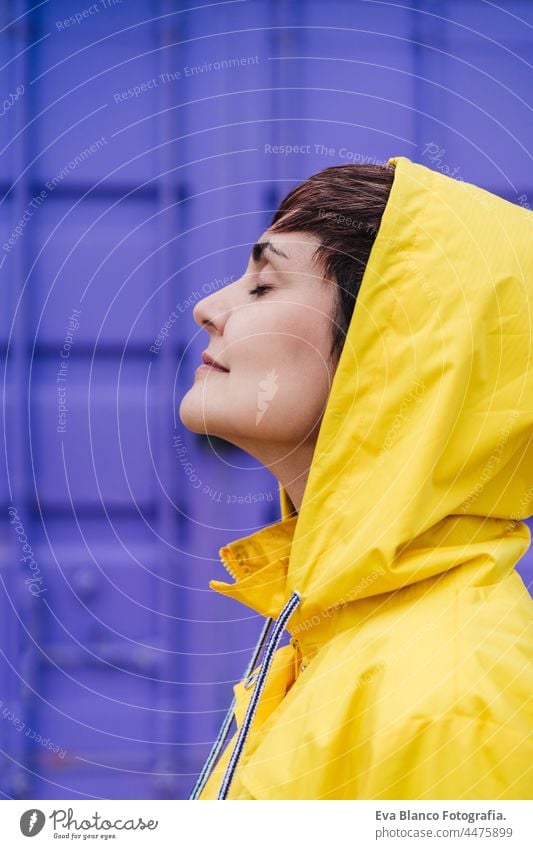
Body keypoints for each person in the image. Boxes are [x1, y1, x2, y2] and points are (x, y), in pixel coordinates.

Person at [179, 155, 533, 800]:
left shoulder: (449, 699)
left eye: (264, 285)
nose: (208, 307)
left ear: (394, 350)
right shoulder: (340, 629)